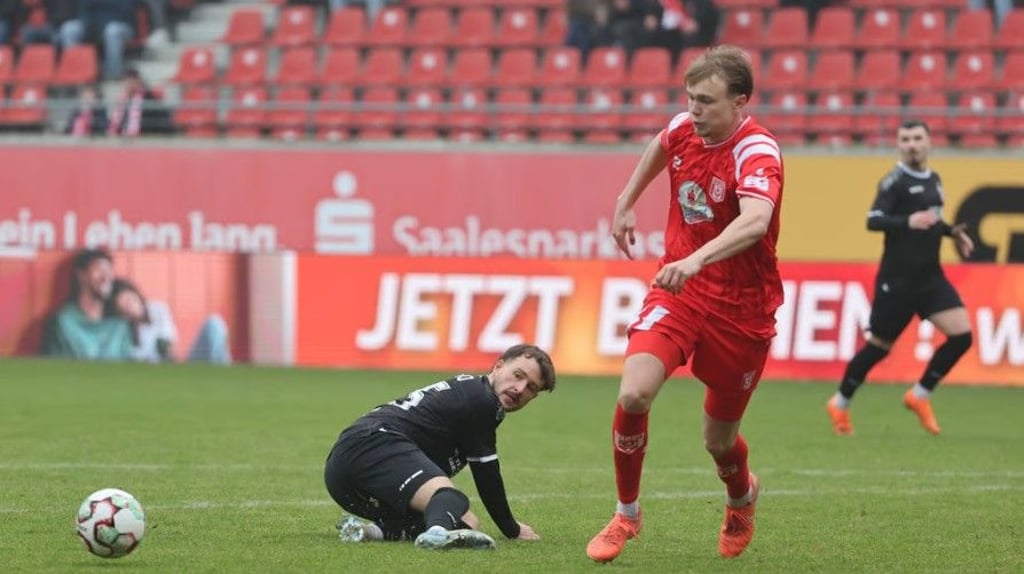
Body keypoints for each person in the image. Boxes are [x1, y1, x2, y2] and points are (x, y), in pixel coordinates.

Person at [585, 45, 785, 563]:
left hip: (742, 310)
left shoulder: (756, 151)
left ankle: (740, 498)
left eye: (707, 101)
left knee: (719, 441)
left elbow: (756, 221)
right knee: (634, 394)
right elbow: (661, 142)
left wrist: (696, 259)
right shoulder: (683, 127)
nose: (694, 110)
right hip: (681, 292)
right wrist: (625, 201)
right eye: (691, 98)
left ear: (739, 102)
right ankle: (626, 514)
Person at [324, 344, 556, 550]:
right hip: (373, 442)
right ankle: (436, 535)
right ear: (498, 366)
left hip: (342, 476)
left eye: (531, 387)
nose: (519, 388)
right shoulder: (482, 400)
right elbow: (487, 476)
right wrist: (512, 529)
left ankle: (369, 532)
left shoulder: (474, 391)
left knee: (464, 521)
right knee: (451, 498)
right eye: (518, 375)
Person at [826, 120, 975, 437]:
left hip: (930, 278)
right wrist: (908, 221)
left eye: (917, 138)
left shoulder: (934, 179)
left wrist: (952, 232)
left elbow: (932, 219)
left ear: (929, 142)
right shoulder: (894, 182)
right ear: (898, 145)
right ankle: (840, 402)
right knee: (879, 347)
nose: (912, 145)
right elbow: (873, 220)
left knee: (962, 336)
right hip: (897, 282)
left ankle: (919, 395)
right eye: (905, 139)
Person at [105, 278, 232, 364]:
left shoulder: (157, 308)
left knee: (214, 323)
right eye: (124, 308)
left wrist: (167, 351)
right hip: (158, 378)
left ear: (135, 294)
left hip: (180, 366)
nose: (131, 307)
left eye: (130, 300)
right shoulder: (126, 334)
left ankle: (223, 373)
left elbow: (169, 344)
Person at [41, 248, 134, 360]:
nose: (106, 277)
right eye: (99, 270)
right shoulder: (62, 322)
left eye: (109, 271)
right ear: (81, 276)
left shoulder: (119, 326)